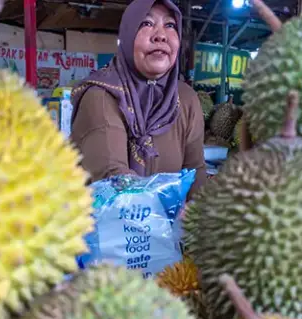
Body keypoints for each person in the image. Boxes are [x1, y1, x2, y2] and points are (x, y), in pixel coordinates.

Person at [70, 0, 208, 200]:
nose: (160, 35)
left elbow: (196, 170)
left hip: (171, 227)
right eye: (146, 23)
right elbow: (113, 179)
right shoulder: (101, 95)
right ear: (127, 36)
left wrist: (198, 211)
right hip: (106, 225)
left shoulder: (186, 98)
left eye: (170, 25)